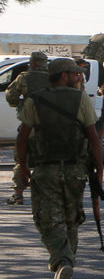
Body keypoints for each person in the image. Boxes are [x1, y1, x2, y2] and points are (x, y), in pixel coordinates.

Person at [13, 58, 104, 279]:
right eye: (75, 74)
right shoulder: (80, 99)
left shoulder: (35, 99)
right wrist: (99, 172)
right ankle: (66, 264)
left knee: (47, 220)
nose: (78, 78)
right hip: (76, 170)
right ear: (63, 75)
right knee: (71, 218)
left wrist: (22, 166)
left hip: (45, 169)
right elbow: (92, 137)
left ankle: (62, 262)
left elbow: (23, 136)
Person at [5, 51, 51, 205]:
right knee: (46, 160)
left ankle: (18, 194)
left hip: (28, 124)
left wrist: (21, 104)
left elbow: (11, 96)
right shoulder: (54, 78)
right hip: (50, 126)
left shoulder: (24, 77)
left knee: (21, 157)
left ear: (32, 63)